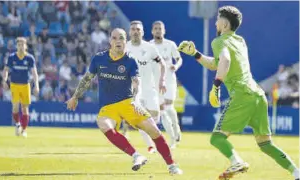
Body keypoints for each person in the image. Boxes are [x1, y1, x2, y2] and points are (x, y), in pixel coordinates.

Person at [178, 6, 299, 180]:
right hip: (258, 94)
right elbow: (217, 64)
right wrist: (196, 54)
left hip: (241, 95)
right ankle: (296, 172)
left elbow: (225, 60)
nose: (215, 21)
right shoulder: (240, 40)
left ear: (225, 24)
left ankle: (236, 161)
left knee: (217, 138)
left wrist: (216, 86)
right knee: (265, 144)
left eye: (218, 18)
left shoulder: (218, 41)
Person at [66, 28, 182, 174]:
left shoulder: (130, 61)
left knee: (154, 131)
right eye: (114, 38)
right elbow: (87, 78)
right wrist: (75, 96)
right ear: (110, 41)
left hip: (129, 103)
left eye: (121, 38)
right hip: (108, 107)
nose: (118, 41)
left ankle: (172, 165)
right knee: (103, 124)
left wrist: (135, 100)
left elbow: (136, 82)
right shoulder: (99, 59)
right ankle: (136, 155)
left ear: (125, 41)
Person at [126, 21, 167, 153]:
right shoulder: (125, 49)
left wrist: (162, 81)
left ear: (142, 32)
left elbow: (163, 64)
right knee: (140, 116)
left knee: (155, 115)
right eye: (133, 29)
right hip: (134, 89)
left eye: (138, 29)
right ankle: (150, 145)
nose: (135, 31)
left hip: (150, 88)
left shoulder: (149, 48)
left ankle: (151, 138)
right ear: (129, 32)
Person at [150, 21, 183, 148]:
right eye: (156, 28)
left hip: (169, 80)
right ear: (152, 31)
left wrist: (176, 65)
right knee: (162, 111)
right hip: (156, 82)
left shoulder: (170, 45)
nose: (158, 30)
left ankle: (176, 128)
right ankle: (173, 139)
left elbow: (179, 59)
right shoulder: (149, 46)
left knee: (169, 107)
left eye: (160, 28)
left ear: (164, 31)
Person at [2, 37, 39, 137]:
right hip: (14, 85)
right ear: (16, 46)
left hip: (25, 85)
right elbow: (5, 70)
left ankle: (23, 130)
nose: (21, 47)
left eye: (22, 45)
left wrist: (36, 85)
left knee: (25, 108)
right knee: (15, 107)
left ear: (26, 46)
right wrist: (4, 81)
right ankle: (18, 124)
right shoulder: (12, 57)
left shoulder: (30, 58)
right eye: (19, 45)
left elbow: (34, 73)